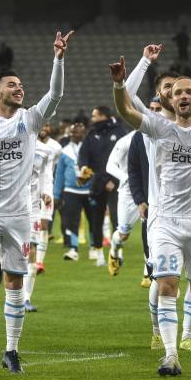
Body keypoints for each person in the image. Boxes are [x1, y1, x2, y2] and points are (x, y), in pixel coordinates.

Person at [110, 32, 191, 376]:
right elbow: (125, 106)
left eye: (189, 91)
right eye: (177, 91)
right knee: (167, 284)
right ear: (170, 97)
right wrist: (119, 83)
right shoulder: (157, 128)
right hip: (165, 219)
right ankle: (170, 355)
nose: (182, 95)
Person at [0, 30, 72, 373]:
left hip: (21, 215)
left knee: (15, 281)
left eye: (20, 85)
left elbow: (57, 93)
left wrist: (58, 57)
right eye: (12, 84)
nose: (19, 88)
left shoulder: (30, 120)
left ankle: (11, 350)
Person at [77, 106, 127, 266]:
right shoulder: (92, 133)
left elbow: (126, 157)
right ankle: (99, 255)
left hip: (115, 183)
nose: (92, 119)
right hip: (97, 183)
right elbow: (83, 154)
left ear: (104, 116)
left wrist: (115, 180)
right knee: (96, 220)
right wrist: (83, 167)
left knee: (117, 219)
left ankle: (117, 252)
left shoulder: (119, 132)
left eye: (95, 116)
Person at [54, 122, 91, 261]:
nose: (74, 134)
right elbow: (59, 174)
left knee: (93, 221)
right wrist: (56, 194)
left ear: (84, 134)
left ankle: (94, 247)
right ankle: (73, 249)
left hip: (89, 191)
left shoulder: (89, 149)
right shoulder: (65, 151)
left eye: (78, 132)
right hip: (70, 191)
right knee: (71, 222)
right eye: (72, 132)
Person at [23, 137, 52, 312]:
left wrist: (46, 192)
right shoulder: (8, 142)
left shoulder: (44, 150)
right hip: (9, 205)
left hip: (32, 206)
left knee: (31, 249)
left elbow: (45, 175)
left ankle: (26, 298)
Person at [105, 131, 137, 275]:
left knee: (153, 232)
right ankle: (114, 250)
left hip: (151, 191)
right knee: (123, 234)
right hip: (129, 192)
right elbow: (110, 166)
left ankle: (149, 274)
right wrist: (125, 177)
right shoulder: (126, 141)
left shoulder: (160, 135)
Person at [35, 124, 62, 274]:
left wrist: (48, 190)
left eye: (47, 124)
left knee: (44, 225)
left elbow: (51, 169)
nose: (44, 128)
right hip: (28, 189)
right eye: (41, 124)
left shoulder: (56, 147)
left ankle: (39, 261)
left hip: (47, 189)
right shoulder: (27, 142)